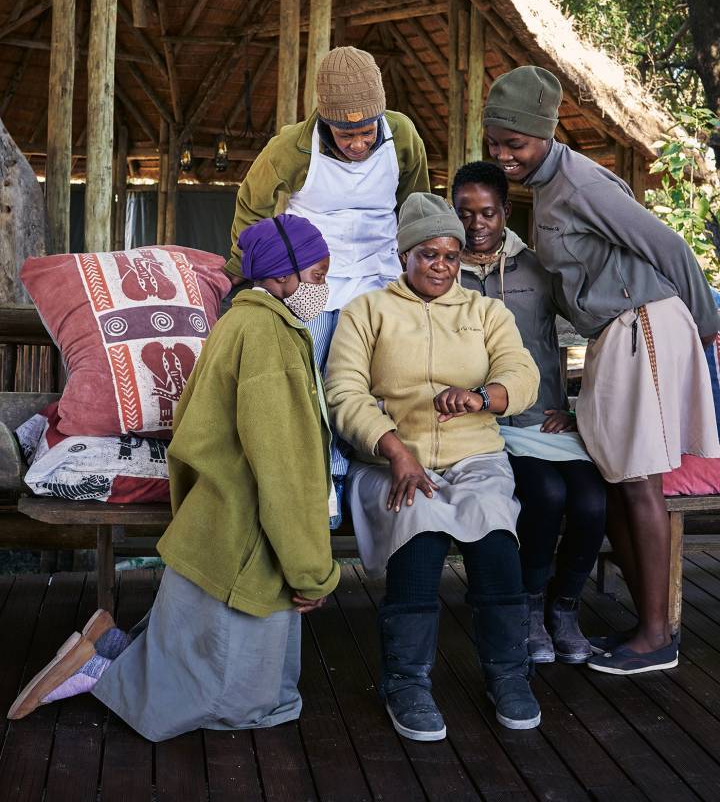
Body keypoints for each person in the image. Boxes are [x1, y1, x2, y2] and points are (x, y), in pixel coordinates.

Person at [8, 215, 340, 738]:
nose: (323, 289)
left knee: (235, 677)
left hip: (213, 521)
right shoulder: (271, 341)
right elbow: (286, 471)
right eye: (318, 276)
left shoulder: (237, 324)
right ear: (282, 276)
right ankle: (103, 672)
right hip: (247, 539)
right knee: (237, 706)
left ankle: (113, 645)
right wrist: (311, 571)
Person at [483, 65, 720, 675]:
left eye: (516, 144)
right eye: (495, 144)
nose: (503, 155)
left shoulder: (582, 184)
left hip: (644, 325)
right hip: (616, 336)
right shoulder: (549, 188)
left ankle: (657, 638)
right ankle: (649, 626)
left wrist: (706, 327)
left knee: (638, 480)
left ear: (546, 133)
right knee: (615, 475)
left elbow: (667, 245)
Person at [325, 192, 541, 740]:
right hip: (391, 460)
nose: (441, 266)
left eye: (450, 255)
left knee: (495, 537)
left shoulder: (487, 313)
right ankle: (407, 682)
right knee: (417, 536)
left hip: (476, 457)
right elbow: (343, 390)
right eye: (428, 255)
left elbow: (522, 374)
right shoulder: (367, 312)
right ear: (404, 257)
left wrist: (483, 397)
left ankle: (509, 674)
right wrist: (393, 448)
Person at [225, 46, 430, 522]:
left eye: (365, 132)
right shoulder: (291, 149)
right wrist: (252, 273)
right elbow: (251, 209)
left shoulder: (402, 136)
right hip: (313, 282)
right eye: (346, 133)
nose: (358, 143)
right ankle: (322, 493)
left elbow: (416, 202)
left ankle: (378, 487)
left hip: (381, 278)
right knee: (313, 387)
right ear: (323, 120)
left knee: (378, 386)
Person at [452, 160, 607, 664]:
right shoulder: (441, 270)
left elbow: (600, 331)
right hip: (483, 427)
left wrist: (581, 408)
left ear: (506, 213)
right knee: (545, 493)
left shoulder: (538, 269)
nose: (476, 225)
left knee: (590, 502)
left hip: (545, 419)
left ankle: (563, 610)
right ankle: (528, 608)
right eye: (465, 213)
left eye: (488, 214)